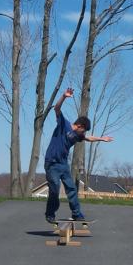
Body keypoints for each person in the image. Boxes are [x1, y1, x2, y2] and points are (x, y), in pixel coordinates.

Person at [44, 87, 113, 223]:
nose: (83, 133)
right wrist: (64, 97)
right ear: (80, 126)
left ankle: (76, 214)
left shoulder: (78, 135)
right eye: (84, 130)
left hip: (63, 165)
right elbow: (56, 108)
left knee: (71, 188)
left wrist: (101, 139)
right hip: (52, 163)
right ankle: (50, 214)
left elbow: (88, 138)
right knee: (55, 189)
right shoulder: (64, 124)